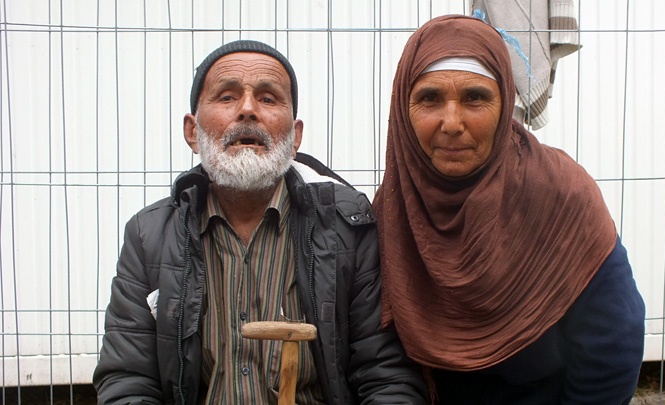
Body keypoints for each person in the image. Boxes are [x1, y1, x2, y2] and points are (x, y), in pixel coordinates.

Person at [93, 39, 428, 405]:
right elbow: (128, 379)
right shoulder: (149, 236)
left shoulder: (347, 227)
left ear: (295, 136)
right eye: (226, 97)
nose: (248, 110)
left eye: (268, 99)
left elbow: (385, 374)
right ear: (192, 131)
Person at [373, 14, 646, 405]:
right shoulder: (394, 206)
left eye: (476, 98)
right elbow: (379, 356)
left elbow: (612, 343)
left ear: (505, 105)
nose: (452, 122)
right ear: (403, 108)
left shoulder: (560, 192)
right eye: (430, 98)